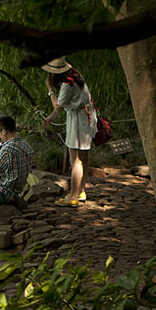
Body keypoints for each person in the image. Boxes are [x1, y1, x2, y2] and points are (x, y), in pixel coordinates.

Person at [41, 57, 95, 207]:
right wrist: (50, 118)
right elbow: (60, 108)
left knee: (75, 160)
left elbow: (58, 105)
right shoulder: (76, 75)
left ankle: (73, 196)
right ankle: (81, 191)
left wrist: (50, 89)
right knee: (84, 156)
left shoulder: (66, 84)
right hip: (86, 115)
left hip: (77, 119)